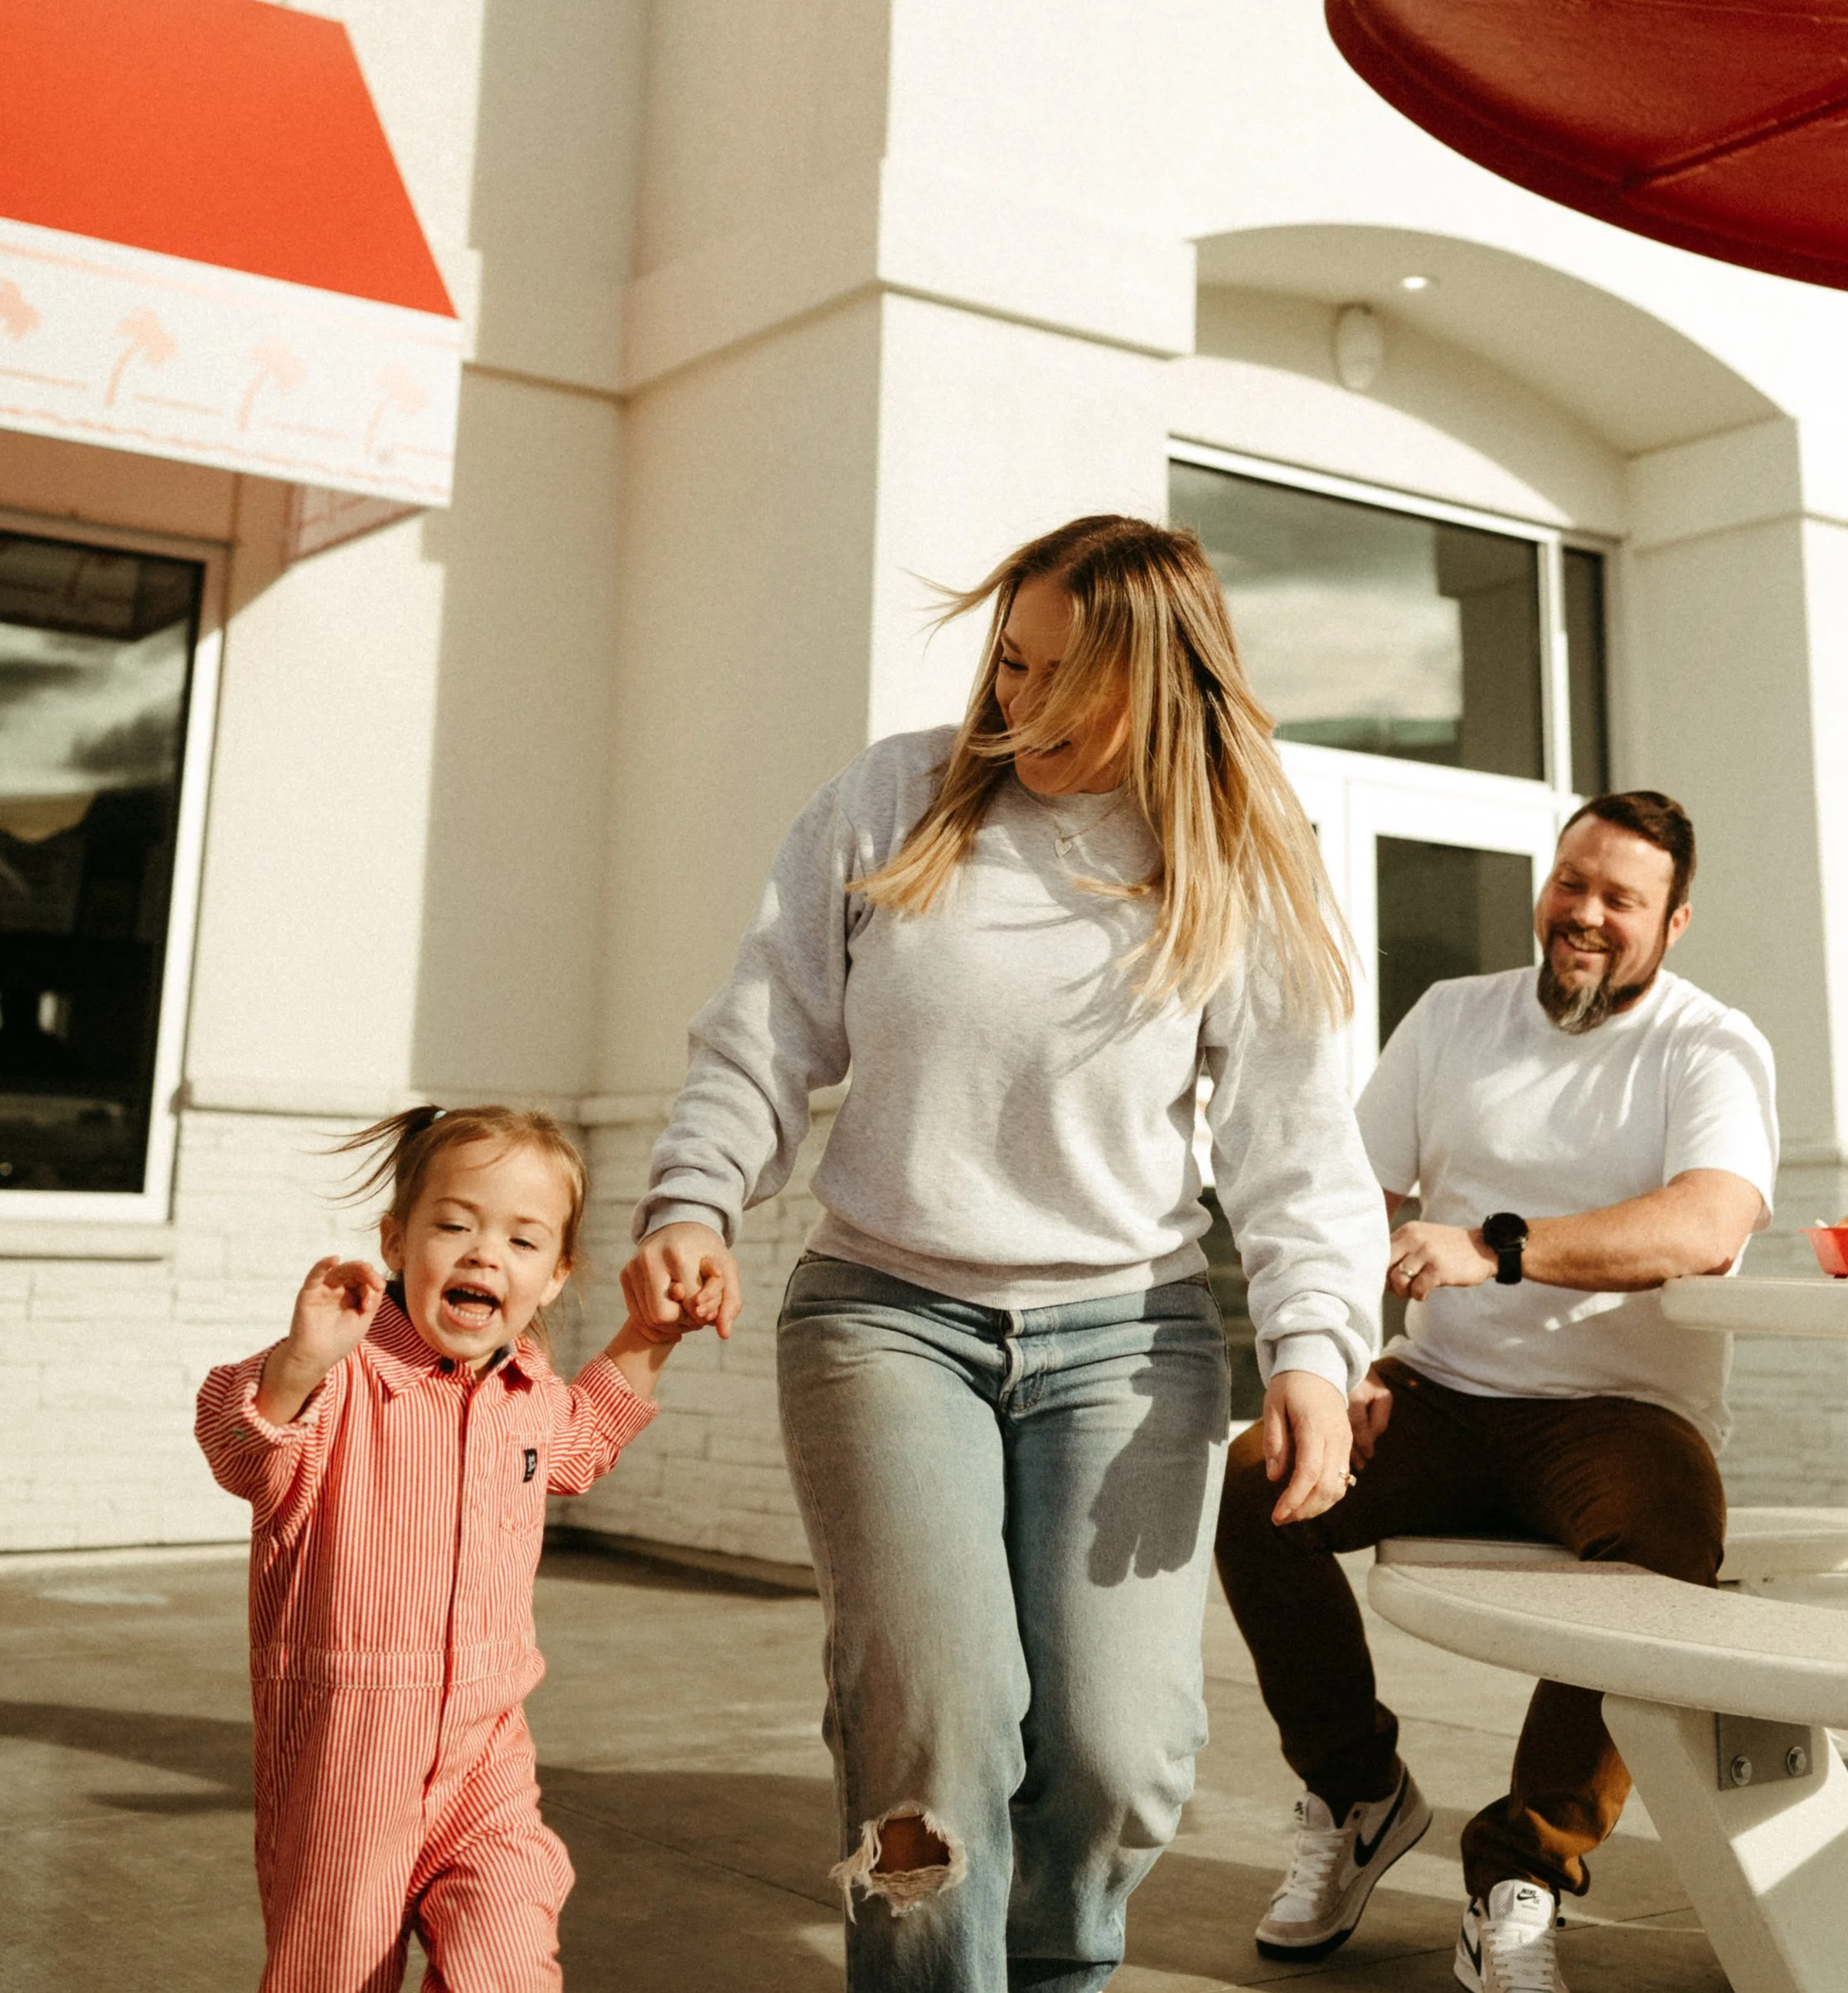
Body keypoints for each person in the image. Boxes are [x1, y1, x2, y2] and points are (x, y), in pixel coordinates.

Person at [620, 513, 1391, 1991]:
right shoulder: (894, 798)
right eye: (1009, 663)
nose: (1018, 706)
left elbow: (1296, 1142)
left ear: (1161, 685)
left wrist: (1311, 1348)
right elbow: (765, 1033)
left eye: (1064, 681)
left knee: (1118, 1753)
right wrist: (691, 1201)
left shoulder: (1237, 850)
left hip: (1130, 1338)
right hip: (885, 1316)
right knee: (930, 1730)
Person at [1218, 791, 1778, 1993]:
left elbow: (1707, 1220)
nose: (1585, 913)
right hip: (1440, 1388)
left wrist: (1497, 1247)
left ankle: (1522, 1874)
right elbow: (1349, 1204)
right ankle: (1358, 1796)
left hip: (1617, 1414)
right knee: (1262, 1479)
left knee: (1672, 1536)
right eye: (1571, 881)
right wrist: (1336, 1362)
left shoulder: (1707, 1044)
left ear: (1674, 921)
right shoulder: (1452, 1016)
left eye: (1620, 897)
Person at [195, 1102, 683, 1993]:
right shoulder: (340, 1380)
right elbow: (239, 1448)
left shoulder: (526, 1394)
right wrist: (299, 1363)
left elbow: (584, 1438)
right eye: (454, 1225)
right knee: (332, 1975)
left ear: (555, 1276)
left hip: (487, 1751)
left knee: (507, 1966)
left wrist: (651, 1333)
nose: (485, 1254)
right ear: (396, 1241)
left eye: (522, 1240)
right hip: (348, 1760)